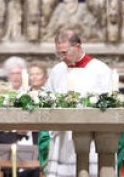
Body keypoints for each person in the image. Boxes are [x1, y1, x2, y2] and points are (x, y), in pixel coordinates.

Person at [44, 30, 114, 177]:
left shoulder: (100, 70)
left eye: (64, 52)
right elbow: (48, 99)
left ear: (78, 46)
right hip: (63, 138)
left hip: (92, 139)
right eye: (59, 54)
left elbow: (108, 106)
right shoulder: (57, 71)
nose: (62, 58)